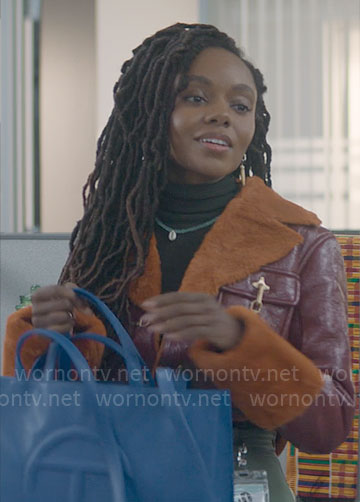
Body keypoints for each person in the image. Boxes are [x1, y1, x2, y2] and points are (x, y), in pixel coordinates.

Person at [3, 23, 355, 501]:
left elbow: (329, 425)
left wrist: (239, 344)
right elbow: (65, 400)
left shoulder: (303, 245)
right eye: (195, 98)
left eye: (240, 105)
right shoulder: (108, 235)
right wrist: (48, 334)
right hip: (111, 474)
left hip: (238, 476)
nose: (222, 117)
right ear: (148, 111)